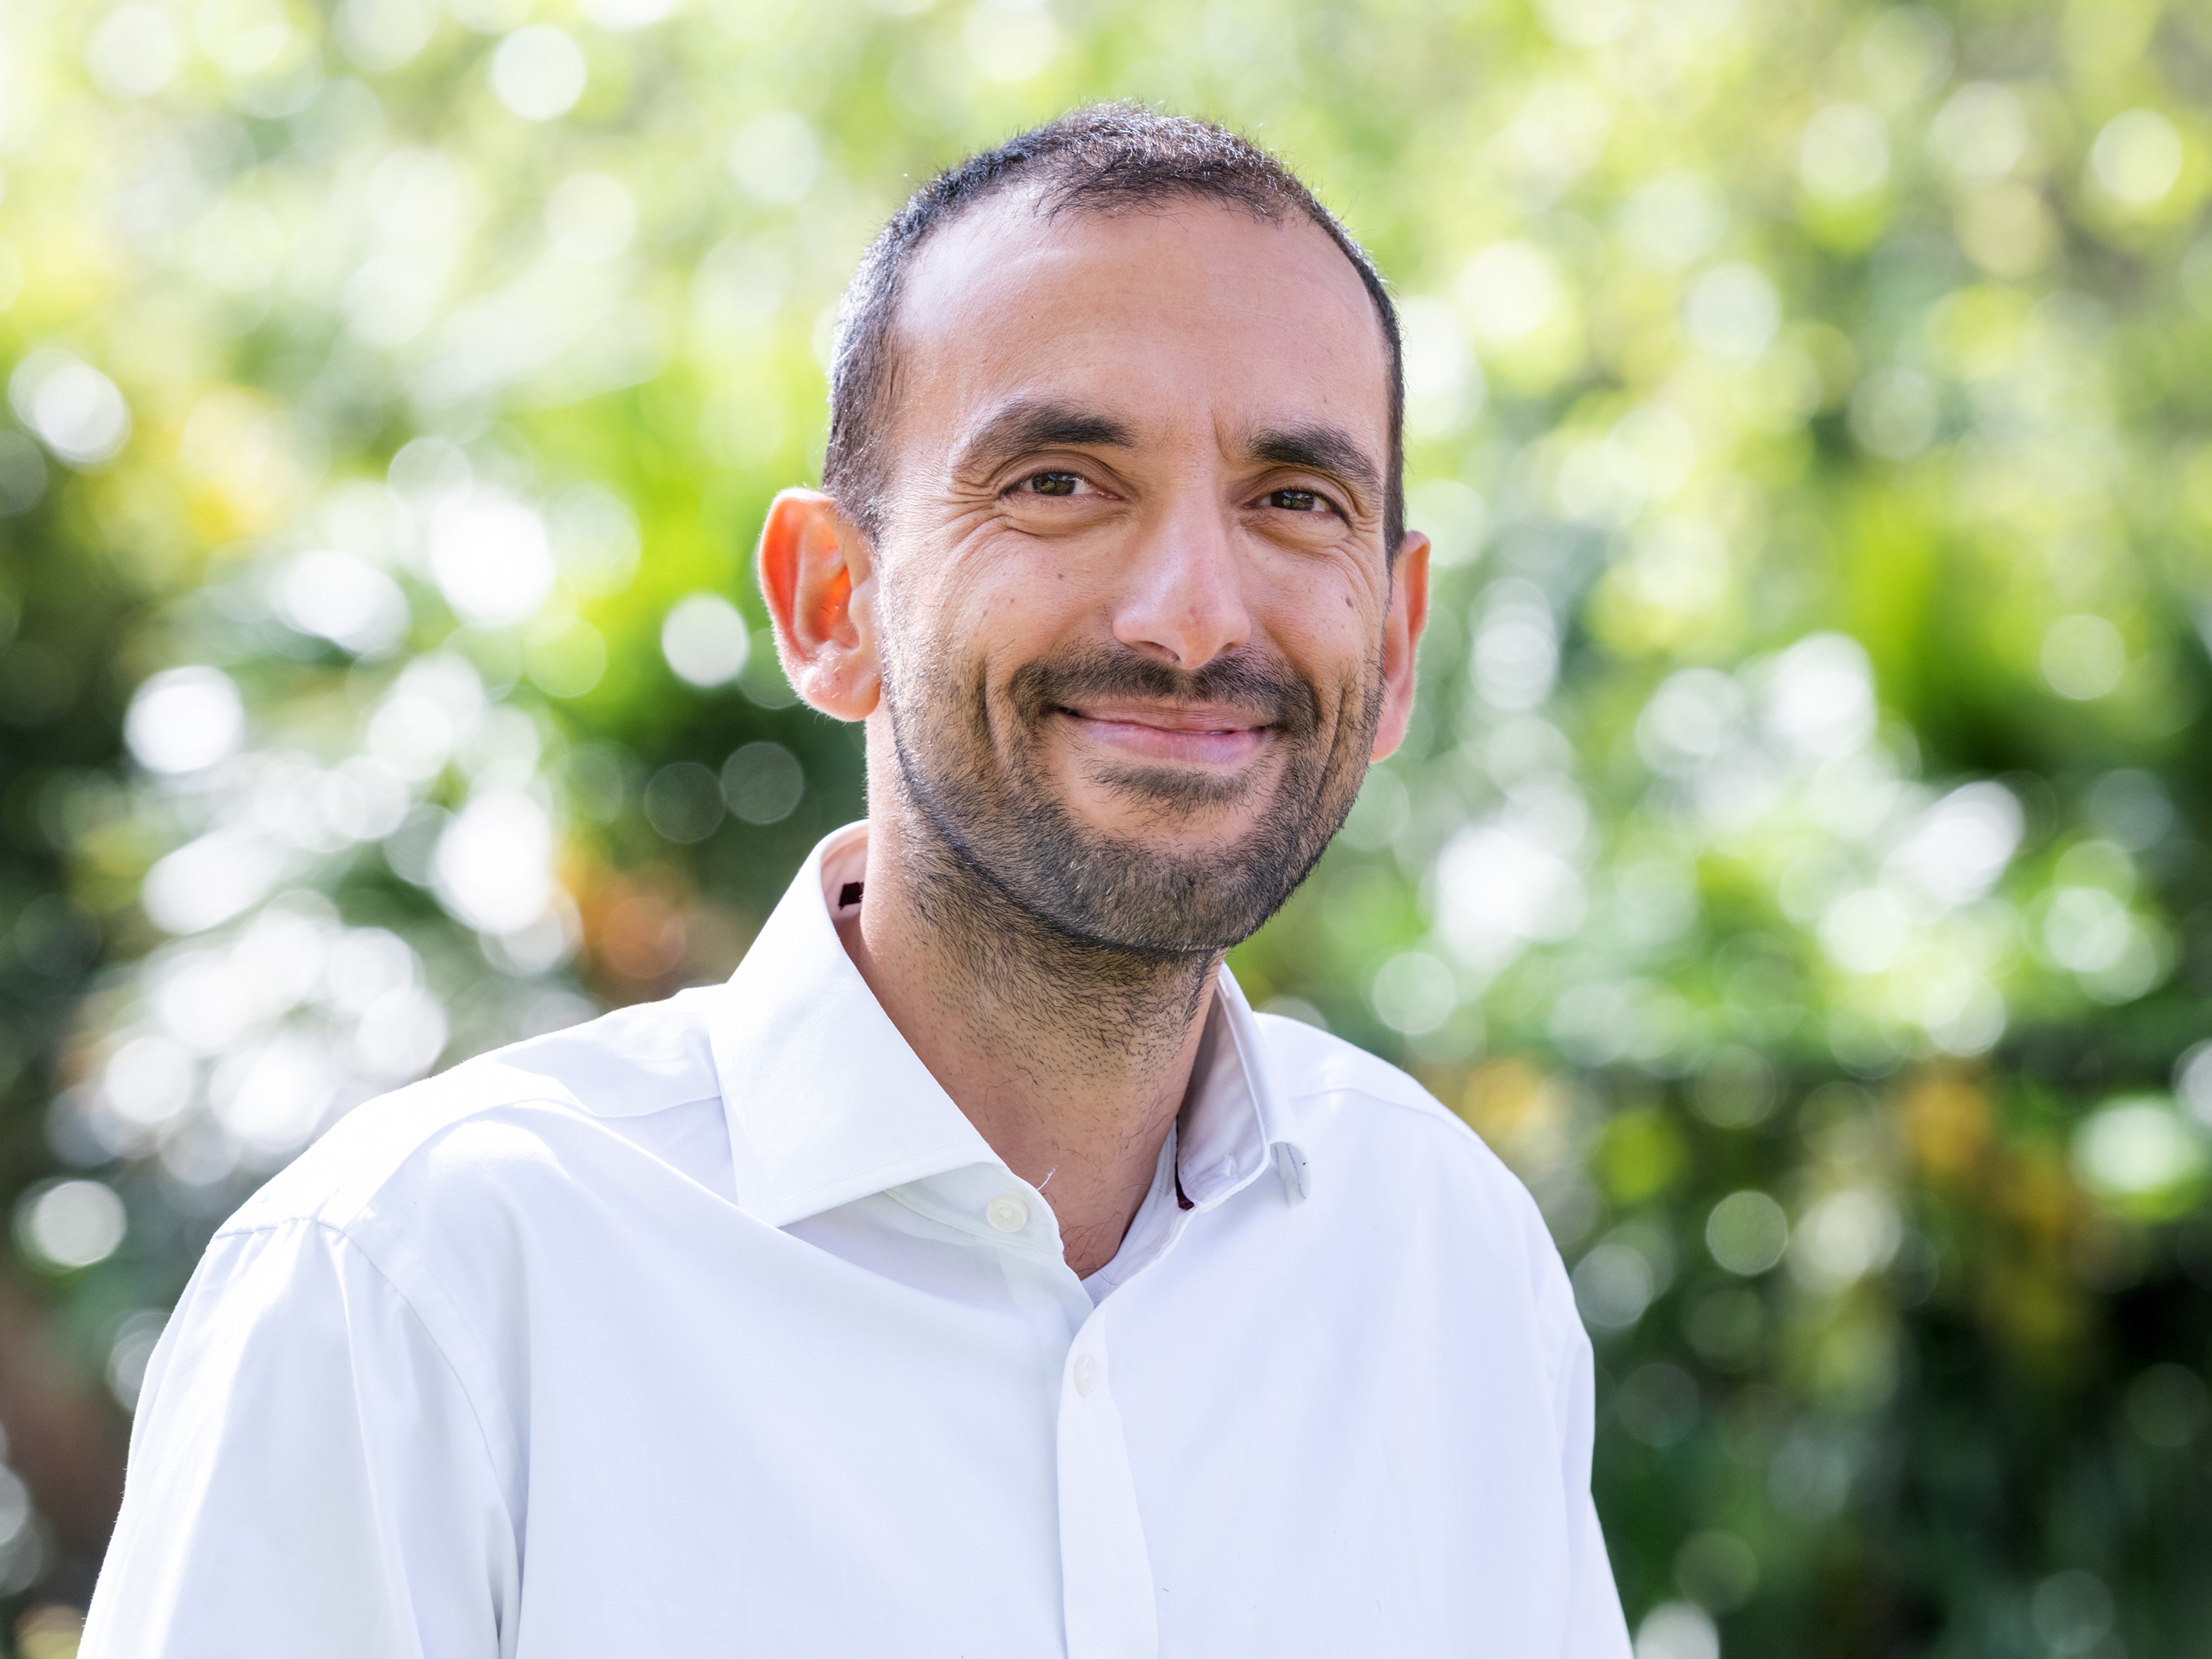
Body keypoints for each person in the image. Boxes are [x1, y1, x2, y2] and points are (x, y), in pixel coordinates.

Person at [83, 106, 1630, 1657]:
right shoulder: (415, 1287)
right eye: (1061, 480)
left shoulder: (1450, 1263)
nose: (1190, 616)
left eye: (1297, 499)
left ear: (1399, 632)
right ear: (833, 601)